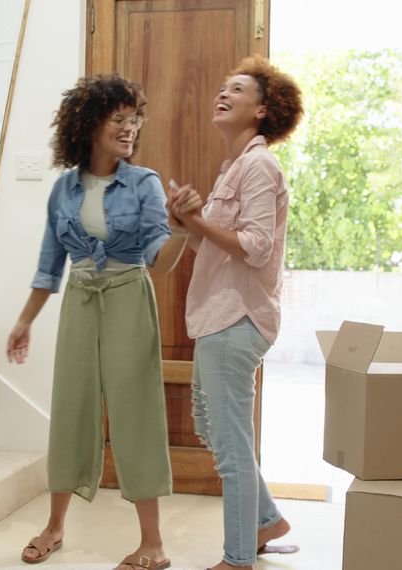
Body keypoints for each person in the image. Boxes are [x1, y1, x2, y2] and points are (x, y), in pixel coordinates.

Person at [7, 74, 192, 570]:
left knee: (136, 413)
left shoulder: (145, 183)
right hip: (80, 302)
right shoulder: (62, 191)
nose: (130, 129)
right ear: (89, 124)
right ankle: (54, 527)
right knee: (70, 410)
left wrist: (180, 228)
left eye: (135, 121)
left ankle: (152, 543)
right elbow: (49, 266)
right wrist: (25, 322)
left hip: (130, 296)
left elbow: (160, 260)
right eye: (119, 120)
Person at [167, 56, 304, 570]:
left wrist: (196, 220)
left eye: (238, 88)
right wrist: (184, 220)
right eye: (222, 87)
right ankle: (267, 521)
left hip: (236, 319)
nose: (222, 93)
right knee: (213, 426)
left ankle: (238, 558)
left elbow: (256, 246)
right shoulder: (235, 168)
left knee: (229, 446)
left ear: (263, 109)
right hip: (217, 316)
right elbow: (217, 247)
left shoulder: (260, 165)